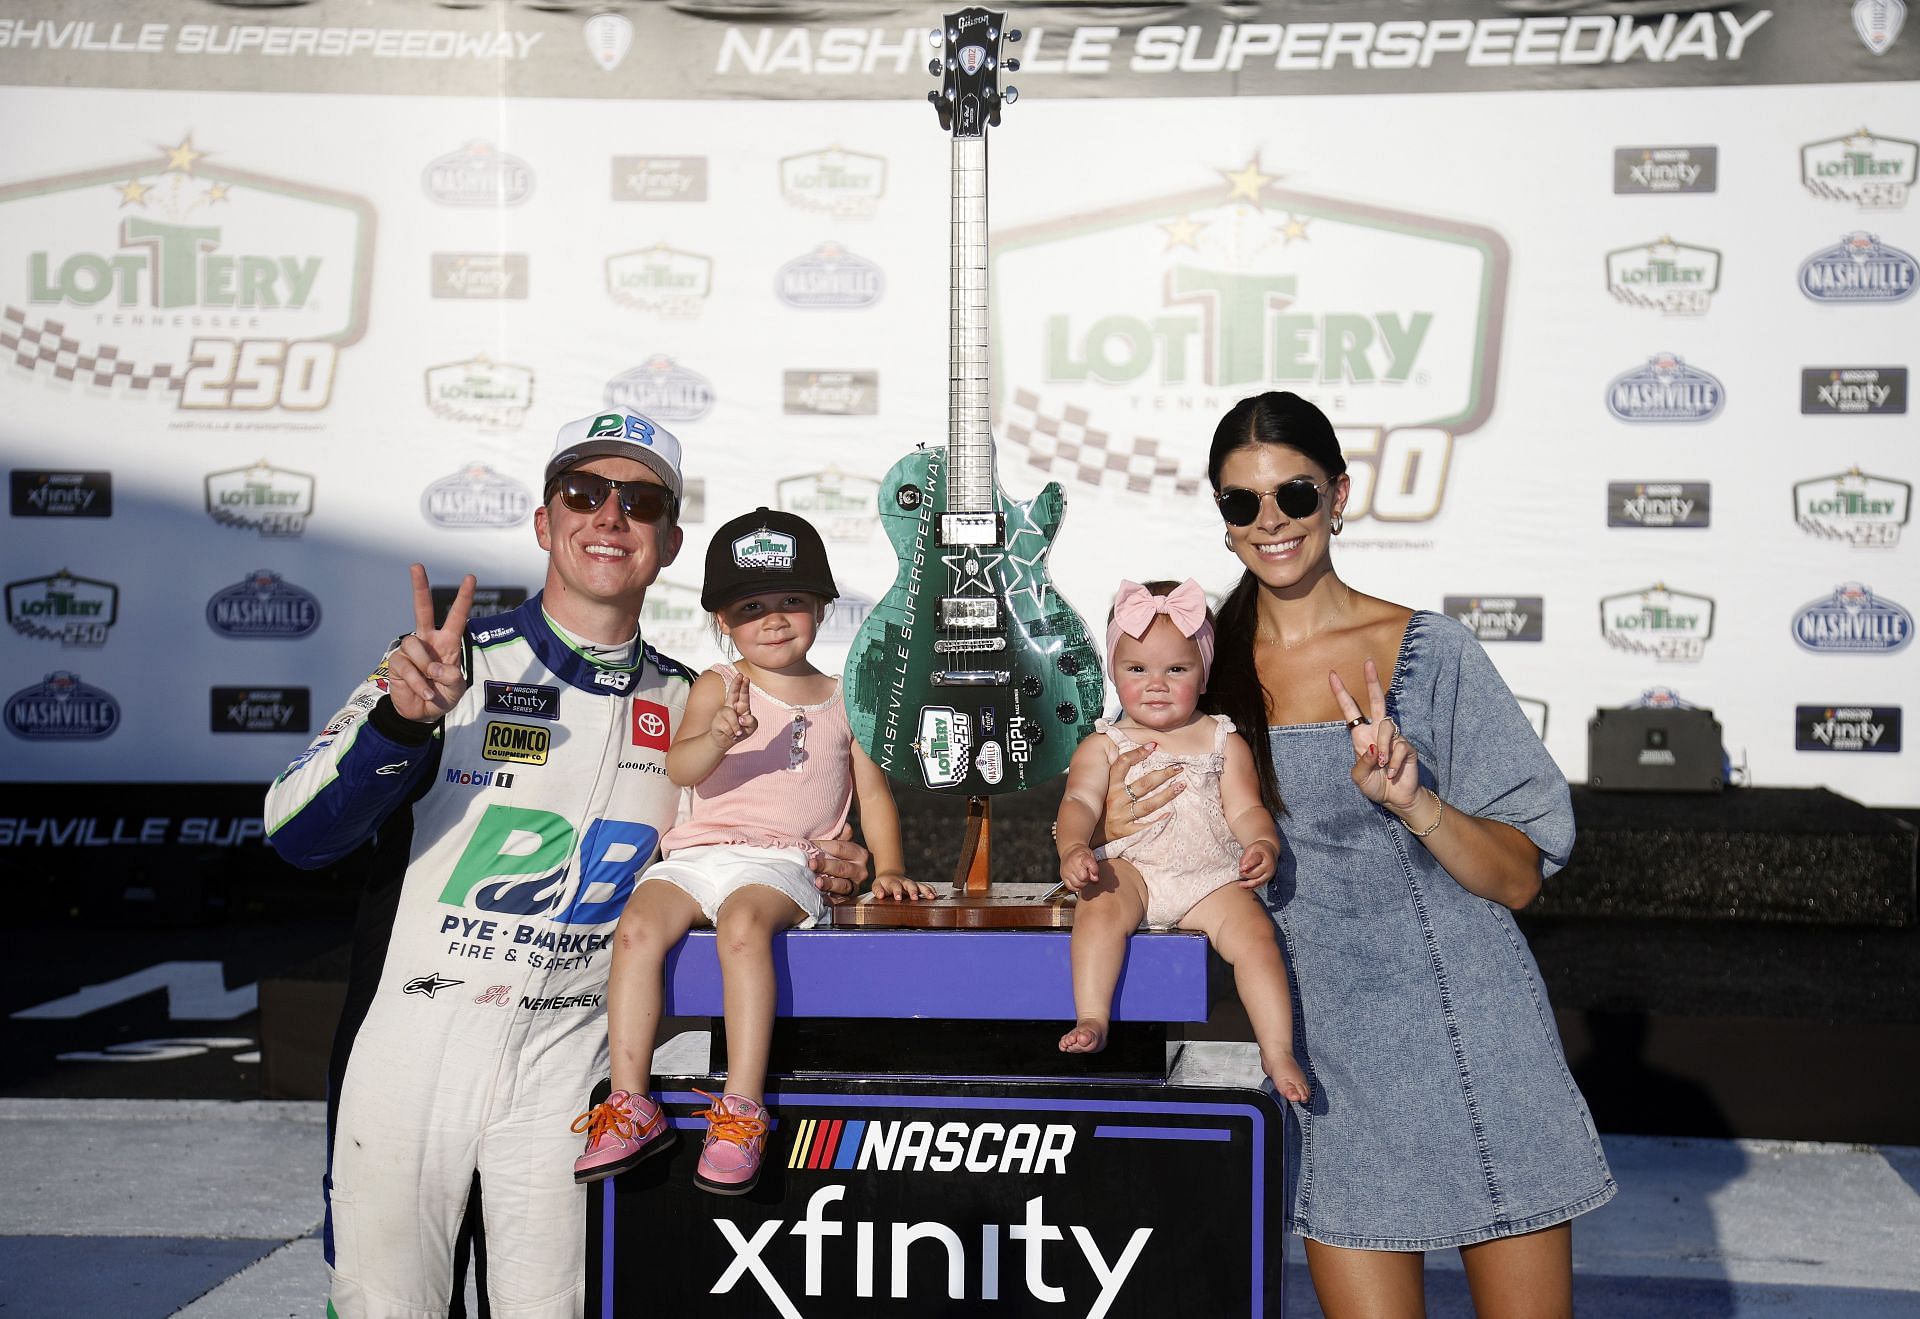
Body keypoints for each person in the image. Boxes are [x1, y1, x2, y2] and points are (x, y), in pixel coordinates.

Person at [264, 417, 869, 1319]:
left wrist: (840, 857)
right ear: (546, 523)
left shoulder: (701, 703)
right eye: (584, 494)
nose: (611, 516)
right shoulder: (447, 666)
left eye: (643, 502)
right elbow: (296, 832)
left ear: (667, 544)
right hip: (411, 1054)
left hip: (571, 1075)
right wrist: (399, 724)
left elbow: (776, 835)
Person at [1101, 392, 1613, 1319]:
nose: (1270, 522)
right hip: (1332, 1070)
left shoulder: (1430, 653)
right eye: (1240, 503)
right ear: (1221, 521)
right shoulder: (1195, 678)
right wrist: (1115, 818)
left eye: (1293, 494)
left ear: (1340, 495)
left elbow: (1520, 877)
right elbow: (1141, 851)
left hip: (1477, 1038)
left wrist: (1417, 804)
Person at [570, 507, 933, 1196]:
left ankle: (740, 1108)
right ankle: (628, 1102)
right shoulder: (716, 683)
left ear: (822, 607)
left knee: (742, 925)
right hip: (695, 852)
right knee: (639, 926)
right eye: (751, 606)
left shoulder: (844, 698)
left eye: (791, 600)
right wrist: (721, 736)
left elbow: (875, 794)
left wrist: (887, 868)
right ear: (722, 622)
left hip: (784, 861)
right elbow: (681, 769)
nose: (773, 618)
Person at [1052, 577, 1311, 1103]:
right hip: (1134, 872)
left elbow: (1246, 809)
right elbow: (1077, 803)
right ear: (1112, 671)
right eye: (1137, 669)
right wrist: (1075, 848)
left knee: (1258, 940)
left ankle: (1277, 1046)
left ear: (1204, 671)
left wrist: (1263, 844)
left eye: (1177, 669)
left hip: (1209, 881)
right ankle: (1093, 1015)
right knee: (1097, 906)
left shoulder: (1222, 739)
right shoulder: (1103, 743)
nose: (1156, 683)